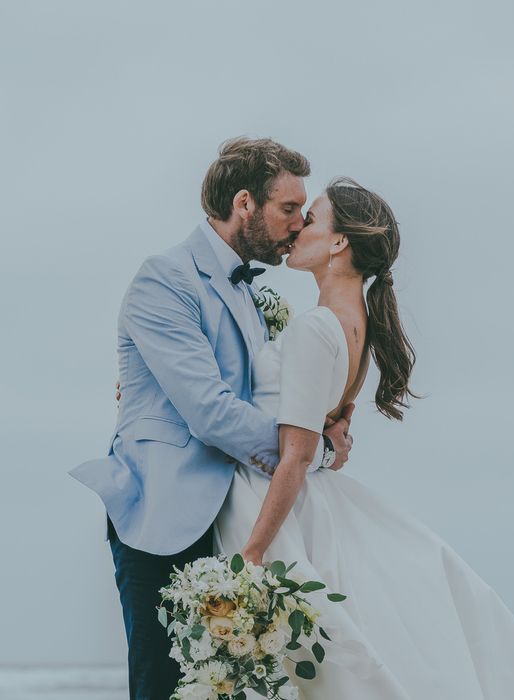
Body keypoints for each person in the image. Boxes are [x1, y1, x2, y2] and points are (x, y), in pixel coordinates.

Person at [212, 176, 514, 699]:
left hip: (274, 507)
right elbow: (327, 431)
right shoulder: (359, 327)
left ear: (338, 242)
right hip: (313, 503)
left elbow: (297, 454)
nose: (296, 228)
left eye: (311, 219)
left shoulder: (316, 328)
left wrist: (252, 556)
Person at [69, 138, 354, 700]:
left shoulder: (250, 290)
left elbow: (258, 397)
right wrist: (310, 450)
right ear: (244, 204)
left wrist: (321, 417)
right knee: (161, 688)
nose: (298, 225)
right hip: (164, 515)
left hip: (234, 515)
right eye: (289, 209)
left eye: (303, 212)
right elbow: (210, 412)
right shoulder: (165, 279)